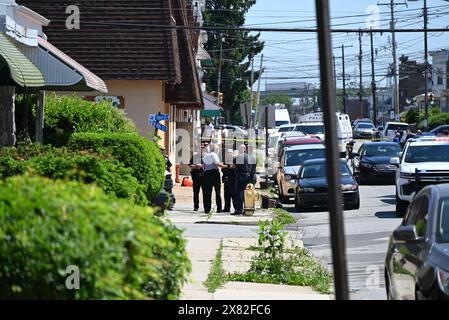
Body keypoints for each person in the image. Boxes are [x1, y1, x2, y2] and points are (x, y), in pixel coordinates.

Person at [202, 144, 223, 214]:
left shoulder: (205, 156)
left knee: (207, 193)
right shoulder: (214, 155)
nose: (218, 151)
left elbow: (204, 166)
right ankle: (219, 208)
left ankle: (207, 209)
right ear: (215, 150)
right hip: (214, 173)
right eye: (217, 149)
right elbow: (217, 164)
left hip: (207, 174)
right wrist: (225, 166)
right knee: (217, 191)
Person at [233, 144, 252, 215]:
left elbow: (234, 163)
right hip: (248, 176)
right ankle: (246, 209)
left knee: (239, 193)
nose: (239, 150)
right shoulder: (249, 157)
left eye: (240, 149)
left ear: (244, 149)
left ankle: (239, 210)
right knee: (247, 194)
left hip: (241, 176)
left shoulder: (239, 157)